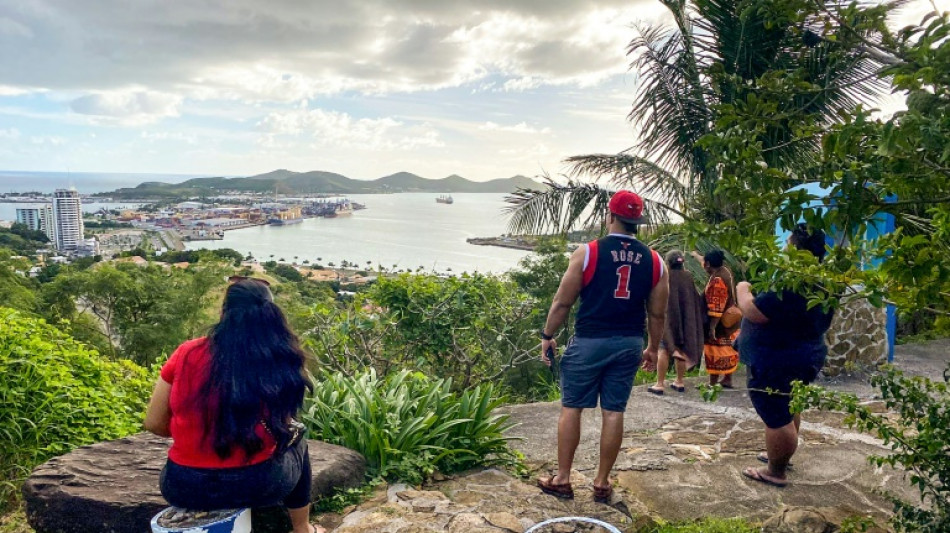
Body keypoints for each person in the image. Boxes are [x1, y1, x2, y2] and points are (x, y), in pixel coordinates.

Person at [144, 278, 320, 533]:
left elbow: (153, 422)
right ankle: (302, 528)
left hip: (183, 485)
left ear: (223, 313)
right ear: (271, 315)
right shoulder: (278, 357)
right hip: (256, 484)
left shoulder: (186, 353)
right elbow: (282, 424)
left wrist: (198, 433)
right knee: (298, 437)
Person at [536, 190, 669, 503]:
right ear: (638, 222)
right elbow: (658, 312)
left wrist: (547, 335)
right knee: (613, 411)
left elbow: (562, 301)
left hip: (591, 340)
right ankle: (602, 481)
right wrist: (651, 347)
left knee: (572, 408)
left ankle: (563, 478)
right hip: (629, 343)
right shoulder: (655, 261)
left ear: (609, 216)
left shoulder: (589, 252)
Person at [736, 224, 834, 488]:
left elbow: (754, 311)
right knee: (789, 404)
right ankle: (781, 456)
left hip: (777, 359)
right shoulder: (824, 280)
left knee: (777, 414)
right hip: (806, 354)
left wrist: (742, 289)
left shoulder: (795, 282)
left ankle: (775, 470)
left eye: (788, 242)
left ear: (796, 248)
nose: (784, 246)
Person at [648, 250, 705, 394]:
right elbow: (694, 299)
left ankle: (660, 384)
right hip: (684, 320)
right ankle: (679, 381)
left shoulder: (665, 276)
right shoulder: (688, 277)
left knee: (664, 350)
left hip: (668, 320)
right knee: (680, 349)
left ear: (668, 262)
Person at [702, 249, 739, 388]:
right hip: (730, 322)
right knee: (728, 349)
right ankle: (727, 379)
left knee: (715, 351)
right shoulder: (725, 271)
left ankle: (712, 383)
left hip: (720, 323)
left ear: (708, 264)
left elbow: (717, 305)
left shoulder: (718, 279)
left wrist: (712, 327)